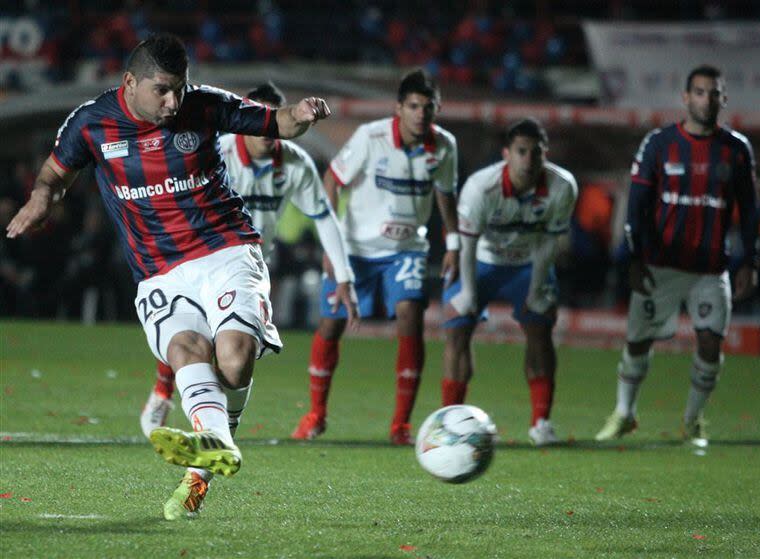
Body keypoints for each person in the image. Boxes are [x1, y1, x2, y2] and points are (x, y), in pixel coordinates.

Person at [6, 34, 331, 520]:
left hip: (225, 249)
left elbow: (276, 122)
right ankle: (212, 453)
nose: (173, 101)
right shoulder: (91, 123)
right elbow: (55, 174)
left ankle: (209, 455)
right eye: (161, 90)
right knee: (185, 350)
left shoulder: (203, 105)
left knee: (236, 360)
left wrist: (300, 115)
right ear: (129, 83)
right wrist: (40, 199)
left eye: (179, 88)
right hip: (159, 272)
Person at [139, 82, 359, 438]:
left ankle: (219, 427)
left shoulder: (294, 163)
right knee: (192, 334)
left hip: (250, 267)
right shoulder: (217, 152)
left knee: (232, 350)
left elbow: (323, 216)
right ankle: (164, 393)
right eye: (260, 118)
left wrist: (344, 275)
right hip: (202, 256)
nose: (267, 128)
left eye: (273, 119)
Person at [291, 69, 459, 445]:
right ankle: (316, 414)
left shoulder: (445, 145)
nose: (420, 114)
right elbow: (333, 180)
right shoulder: (372, 137)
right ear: (400, 108)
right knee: (331, 325)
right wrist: (330, 245)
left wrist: (453, 244)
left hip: (407, 250)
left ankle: (401, 425)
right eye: (414, 106)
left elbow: (445, 194)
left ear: (436, 110)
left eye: (428, 108)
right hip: (357, 250)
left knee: (410, 315)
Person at [595, 65, 759, 447]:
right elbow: (637, 204)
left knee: (710, 344)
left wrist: (749, 260)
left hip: (709, 268)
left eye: (714, 93)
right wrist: (634, 258)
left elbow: (750, 210)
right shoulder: (658, 143)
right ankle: (624, 413)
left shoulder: (736, 149)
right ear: (686, 98)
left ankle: (692, 420)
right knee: (637, 342)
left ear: (724, 98)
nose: (707, 99)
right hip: (660, 266)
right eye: (700, 92)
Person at [441, 118, 577, 446]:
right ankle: (450, 422)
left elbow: (549, 242)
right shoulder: (480, 186)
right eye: (521, 152)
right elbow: (468, 243)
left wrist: (537, 288)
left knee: (540, 328)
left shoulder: (563, 186)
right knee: (457, 326)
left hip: (529, 264)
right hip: (481, 261)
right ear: (507, 154)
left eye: (536, 153)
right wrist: (470, 293)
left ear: (545, 154)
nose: (528, 160)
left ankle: (541, 422)